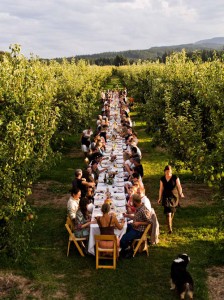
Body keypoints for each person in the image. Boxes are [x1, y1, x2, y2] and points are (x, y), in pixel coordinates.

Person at [158, 165, 184, 234]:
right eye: (166, 171)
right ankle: (170, 229)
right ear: (165, 171)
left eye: (169, 171)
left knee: (172, 211)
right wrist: (160, 198)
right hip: (166, 196)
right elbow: (161, 189)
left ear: (171, 171)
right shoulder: (162, 179)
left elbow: (179, 186)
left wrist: (181, 193)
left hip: (174, 196)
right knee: (168, 213)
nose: (168, 173)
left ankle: (170, 222)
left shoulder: (175, 177)